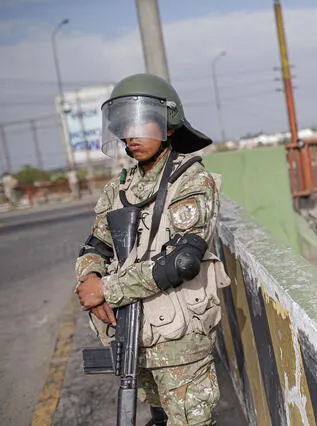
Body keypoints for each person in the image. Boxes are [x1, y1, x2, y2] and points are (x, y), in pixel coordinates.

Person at [74, 73, 229, 426]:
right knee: (157, 418)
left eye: (141, 123)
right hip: (134, 336)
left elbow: (182, 261)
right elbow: (96, 245)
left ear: (168, 126)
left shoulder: (191, 180)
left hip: (180, 340)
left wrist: (108, 290)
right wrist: (90, 278)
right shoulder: (120, 187)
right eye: (125, 126)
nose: (131, 134)